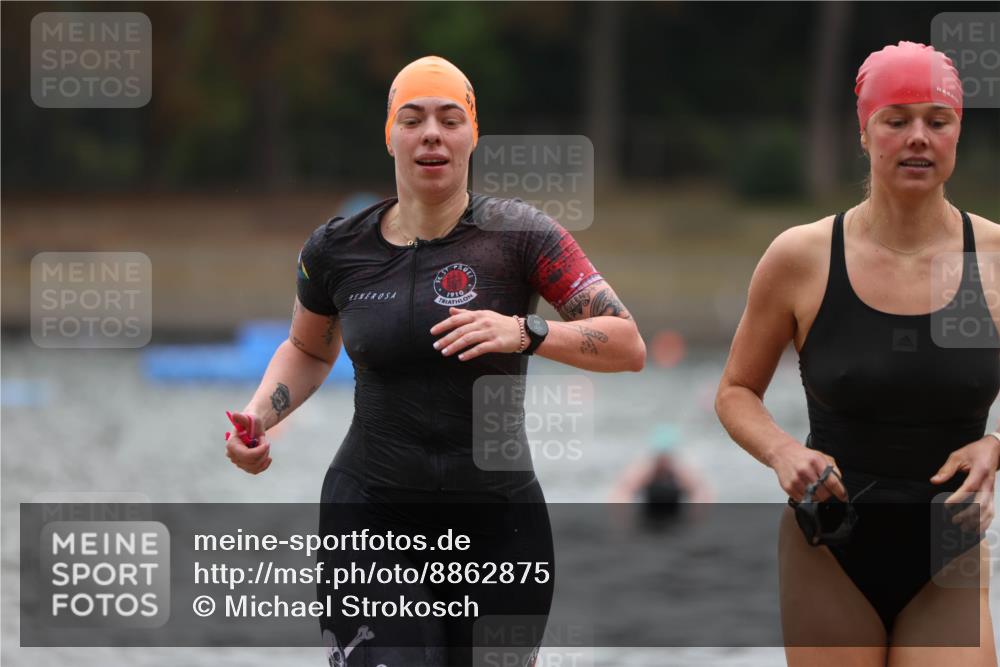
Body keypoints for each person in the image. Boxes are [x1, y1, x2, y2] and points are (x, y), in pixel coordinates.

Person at [224, 55, 645, 666]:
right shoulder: (336, 248)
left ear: (472, 135)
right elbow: (308, 348)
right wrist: (259, 415)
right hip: (372, 510)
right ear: (389, 133)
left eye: (450, 120)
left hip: (499, 522)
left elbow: (627, 343)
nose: (431, 135)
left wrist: (525, 331)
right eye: (413, 119)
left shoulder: (522, 236)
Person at [715, 41, 1000, 665]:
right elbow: (736, 392)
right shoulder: (801, 257)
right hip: (830, 544)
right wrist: (783, 451)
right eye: (896, 121)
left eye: (937, 121)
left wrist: (997, 446)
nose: (918, 137)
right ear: (865, 134)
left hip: (946, 548)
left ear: (958, 134)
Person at [609, 424, 712, 521]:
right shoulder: (645, 468)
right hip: (649, 514)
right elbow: (622, 492)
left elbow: (702, 492)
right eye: (661, 457)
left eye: (667, 457)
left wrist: (696, 517)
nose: (663, 462)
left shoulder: (682, 470)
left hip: (675, 513)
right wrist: (625, 518)